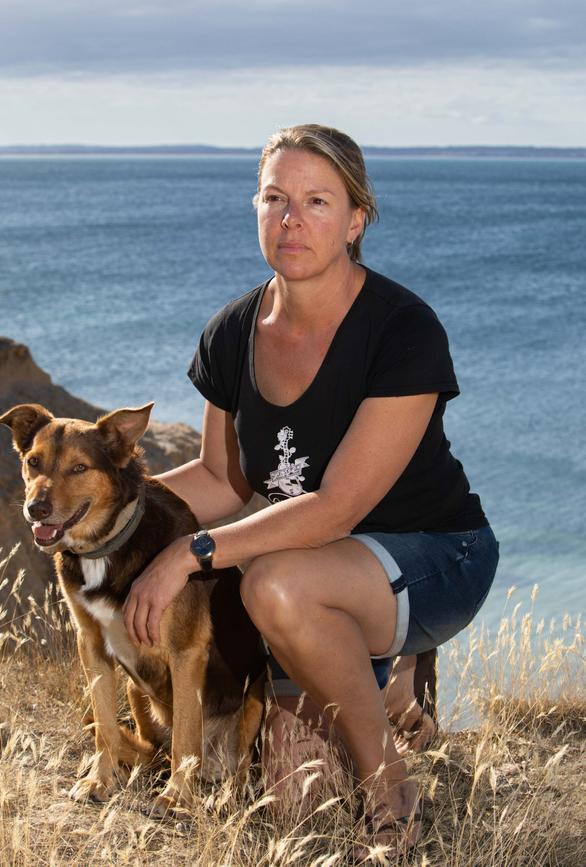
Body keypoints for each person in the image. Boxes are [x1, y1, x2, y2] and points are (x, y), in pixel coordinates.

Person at [123, 124, 499, 853]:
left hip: (435, 555)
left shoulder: (403, 328)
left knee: (273, 585)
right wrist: (107, 516)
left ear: (356, 219)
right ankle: (382, 690)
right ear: (255, 207)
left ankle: (395, 798)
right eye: (274, 198)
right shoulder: (232, 332)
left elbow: (338, 507)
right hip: (317, 567)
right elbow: (220, 478)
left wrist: (186, 554)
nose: (290, 219)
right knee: (301, 804)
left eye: (317, 201)